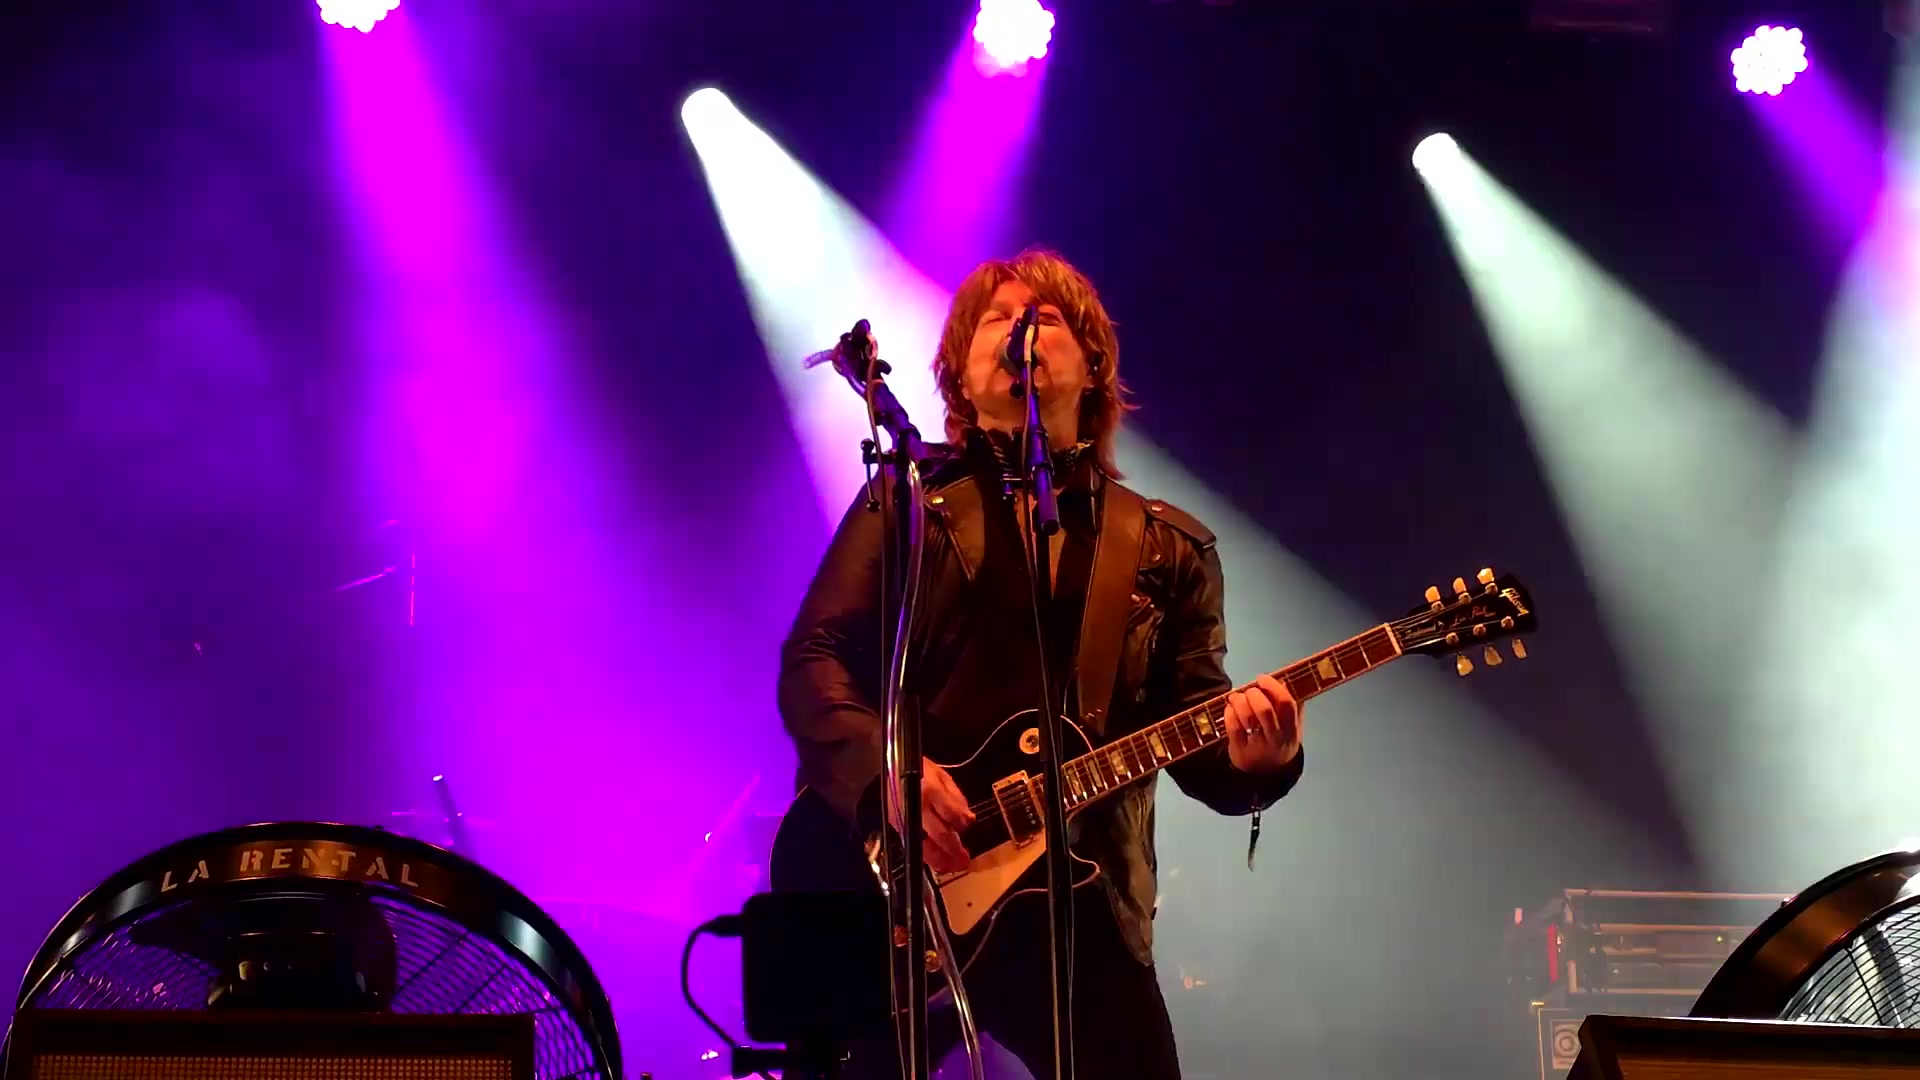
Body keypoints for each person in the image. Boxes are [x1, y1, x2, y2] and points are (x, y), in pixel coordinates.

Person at [777, 248, 1306, 1080]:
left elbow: (1199, 739)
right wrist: (887, 778)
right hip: (896, 885)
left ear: (1093, 366)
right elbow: (816, 658)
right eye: (996, 318)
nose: (1020, 327)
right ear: (960, 375)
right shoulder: (908, 501)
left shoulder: (1167, 547)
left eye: (1046, 317)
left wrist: (1261, 761)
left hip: (1084, 900)